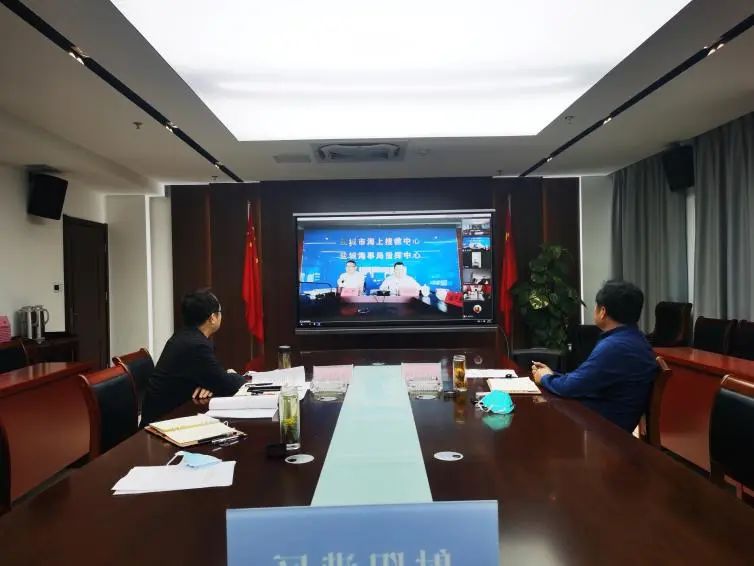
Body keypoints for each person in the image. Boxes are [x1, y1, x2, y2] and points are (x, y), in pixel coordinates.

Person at [530, 280, 658, 432]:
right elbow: (586, 379)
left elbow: (571, 387)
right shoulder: (635, 339)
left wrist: (544, 378)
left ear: (602, 311)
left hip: (604, 430)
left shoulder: (615, 347)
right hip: (609, 421)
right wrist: (552, 375)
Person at [140, 289, 246, 425]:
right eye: (220, 312)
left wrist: (211, 383)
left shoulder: (185, 337)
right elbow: (230, 384)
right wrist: (230, 376)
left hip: (169, 416)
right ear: (212, 318)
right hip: (161, 425)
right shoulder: (195, 346)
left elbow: (215, 380)